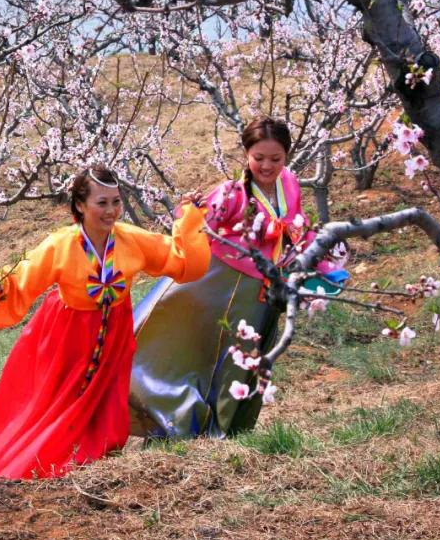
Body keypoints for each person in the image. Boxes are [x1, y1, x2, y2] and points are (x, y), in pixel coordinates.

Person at [0, 166, 211, 479]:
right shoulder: (61, 244)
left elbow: (179, 259)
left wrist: (190, 218)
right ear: (80, 205)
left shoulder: (130, 238)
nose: (111, 211)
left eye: (116, 202)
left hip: (115, 333)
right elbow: (26, 273)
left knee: (108, 398)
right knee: (60, 401)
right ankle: (46, 458)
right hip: (69, 334)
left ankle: (99, 459)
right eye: (101, 203)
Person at [129, 118, 346, 439]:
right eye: (259, 158)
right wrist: (192, 210)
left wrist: (321, 258)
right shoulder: (232, 193)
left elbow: (297, 226)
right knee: (194, 350)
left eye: (275, 158)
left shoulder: (289, 183)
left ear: (286, 156)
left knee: (244, 357)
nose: (267, 166)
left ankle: (227, 428)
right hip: (216, 284)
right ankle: (178, 419)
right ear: (246, 154)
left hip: (261, 289)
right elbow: (202, 227)